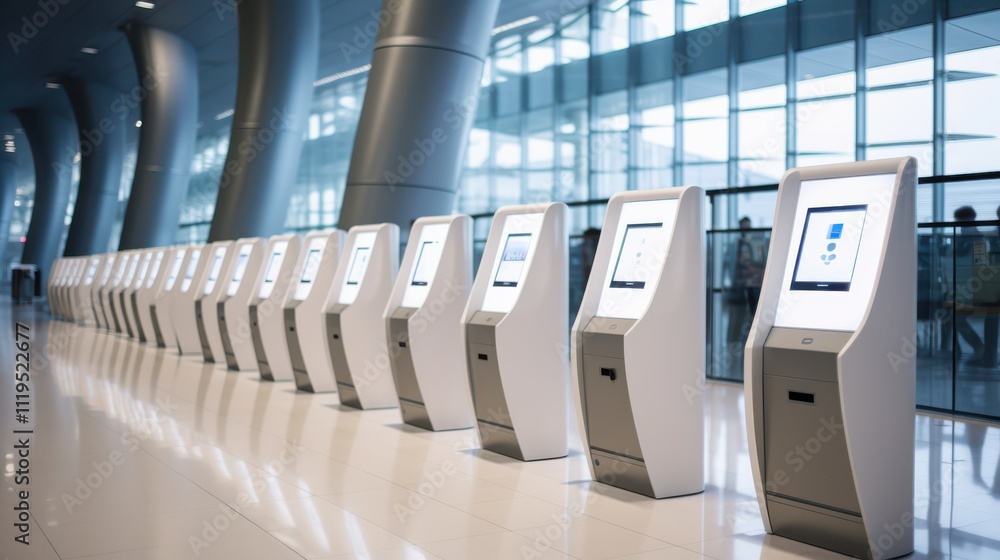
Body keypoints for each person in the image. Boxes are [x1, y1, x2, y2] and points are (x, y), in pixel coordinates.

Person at [724, 217, 767, 373]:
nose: (746, 230)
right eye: (744, 227)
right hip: (740, 287)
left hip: (754, 286)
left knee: (754, 317)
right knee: (738, 318)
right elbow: (731, 265)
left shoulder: (757, 243)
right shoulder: (735, 245)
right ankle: (735, 344)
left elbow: (759, 264)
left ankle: (750, 342)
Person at [952, 206, 986, 363]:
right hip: (960, 286)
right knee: (952, 318)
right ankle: (955, 350)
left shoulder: (978, 239)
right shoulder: (960, 239)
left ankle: (979, 347)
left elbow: (980, 265)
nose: (960, 226)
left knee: (957, 319)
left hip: (974, 287)